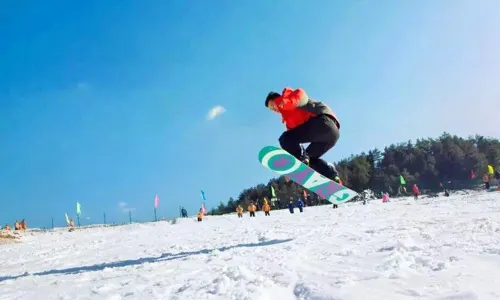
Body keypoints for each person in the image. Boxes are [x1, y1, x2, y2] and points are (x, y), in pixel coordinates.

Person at [265, 87, 341, 182]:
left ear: (277, 98)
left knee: (285, 139)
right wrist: (291, 170)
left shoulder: (290, 96)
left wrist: (287, 101)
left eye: (273, 105)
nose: (274, 109)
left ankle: (302, 160)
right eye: (271, 109)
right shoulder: (289, 121)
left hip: (324, 121)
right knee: (310, 158)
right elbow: (292, 144)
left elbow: (301, 97)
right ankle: (332, 176)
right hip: (332, 136)